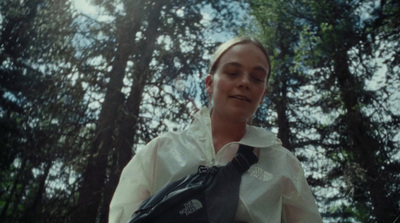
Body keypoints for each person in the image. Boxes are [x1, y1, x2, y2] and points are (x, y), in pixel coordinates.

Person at [109, 36, 323, 223]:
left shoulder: (283, 164)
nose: (245, 82)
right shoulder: (159, 152)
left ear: (263, 95)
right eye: (232, 73)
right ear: (210, 83)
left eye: (257, 78)